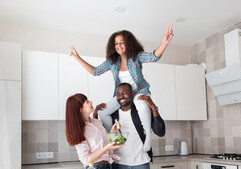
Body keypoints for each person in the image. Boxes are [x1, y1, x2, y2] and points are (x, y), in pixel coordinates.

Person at [68, 24, 174, 152]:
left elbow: (153, 56)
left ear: (128, 43)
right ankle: (114, 137)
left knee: (141, 104)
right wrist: (77, 57)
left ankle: (148, 137)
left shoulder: (136, 56)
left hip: (139, 91)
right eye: (116, 43)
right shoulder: (113, 62)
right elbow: (95, 71)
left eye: (122, 42)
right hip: (121, 96)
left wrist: (164, 42)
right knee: (103, 112)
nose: (118, 45)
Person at [94, 83, 165, 169]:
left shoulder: (141, 112)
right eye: (118, 94)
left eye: (125, 93)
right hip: (119, 165)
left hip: (141, 164)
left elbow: (160, 132)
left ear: (132, 93)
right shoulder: (113, 116)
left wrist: (153, 108)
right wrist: (95, 114)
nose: (121, 96)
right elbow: (102, 135)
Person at [65, 93, 124, 169]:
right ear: (81, 109)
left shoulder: (96, 122)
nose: (91, 102)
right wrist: (106, 148)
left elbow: (105, 145)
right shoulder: (79, 130)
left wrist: (113, 132)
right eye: (87, 102)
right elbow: (85, 160)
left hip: (112, 167)